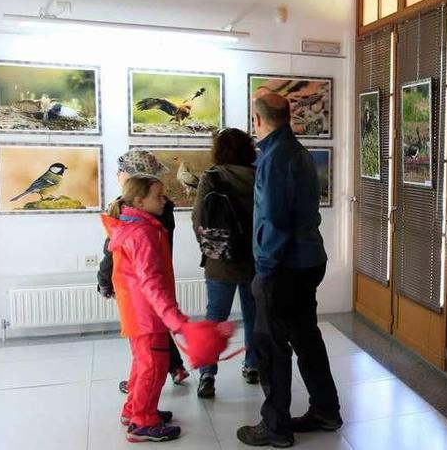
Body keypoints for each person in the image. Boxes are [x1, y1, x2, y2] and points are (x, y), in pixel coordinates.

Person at [236, 91, 341, 448]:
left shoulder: (274, 158)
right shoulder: (298, 152)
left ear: (257, 120)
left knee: (271, 345)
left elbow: (275, 220)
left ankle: (276, 426)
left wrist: (263, 270)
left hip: (283, 267)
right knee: (307, 338)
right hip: (308, 260)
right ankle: (326, 410)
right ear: (289, 115)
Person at [101, 175, 190, 443]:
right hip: (147, 314)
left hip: (137, 310)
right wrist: (172, 317)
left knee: (143, 363)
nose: (164, 200)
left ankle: (134, 410)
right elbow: (150, 281)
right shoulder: (142, 233)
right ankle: (143, 422)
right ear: (139, 200)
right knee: (154, 365)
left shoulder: (134, 226)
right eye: (158, 196)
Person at [192, 128, 259, 398]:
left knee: (214, 317)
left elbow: (198, 220)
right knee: (254, 316)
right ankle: (253, 366)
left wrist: (211, 248)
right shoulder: (258, 176)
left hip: (220, 259)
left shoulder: (211, 177)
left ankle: (207, 374)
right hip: (254, 258)